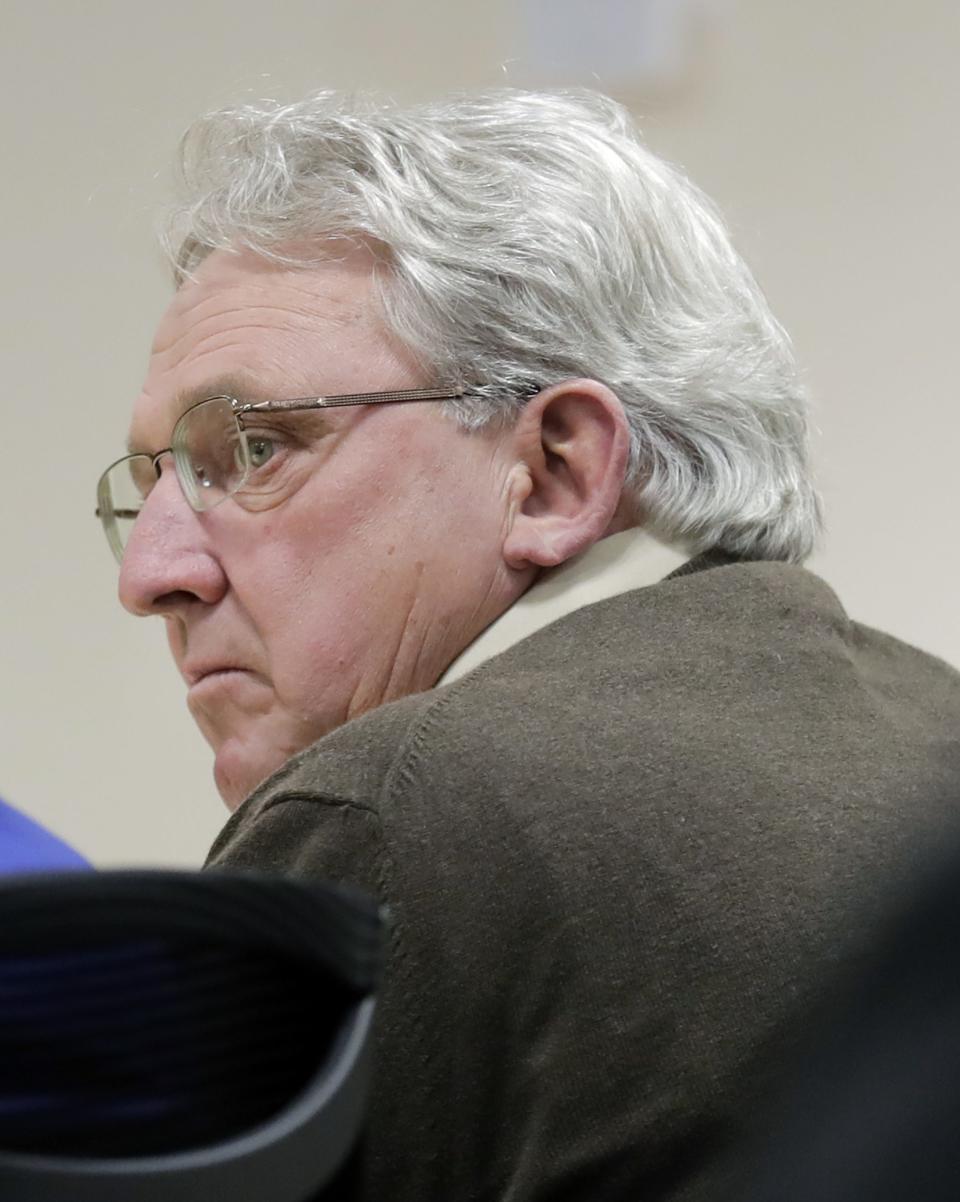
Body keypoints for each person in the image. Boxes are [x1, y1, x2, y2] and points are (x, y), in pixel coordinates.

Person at [96, 90, 960, 1200]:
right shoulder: (938, 733)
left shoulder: (391, 811)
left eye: (255, 447)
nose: (151, 574)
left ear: (554, 468)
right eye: (154, 482)